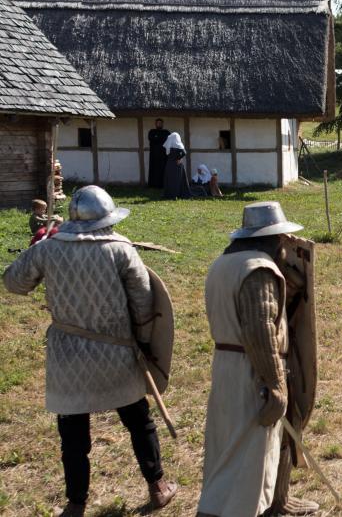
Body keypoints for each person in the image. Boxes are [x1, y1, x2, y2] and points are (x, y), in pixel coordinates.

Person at [3, 186, 178, 517]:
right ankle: (157, 487)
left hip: (67, 355)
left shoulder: (50, 248)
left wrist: (42, 250)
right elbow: (143, 301)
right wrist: (142, 342)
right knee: (139, 421)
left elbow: (14, 282)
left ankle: (75, 504)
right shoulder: (120, 249)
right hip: (117, 351)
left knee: (73, 434)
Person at [197, 201, 317, 517]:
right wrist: (276, 386)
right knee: (248, 457)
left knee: (229, 451)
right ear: (273, 239)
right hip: (251, 372)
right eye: (283, 240)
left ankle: (247, 505)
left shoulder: (223, 264)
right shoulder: (258, 270)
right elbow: (259, 330)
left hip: (227, 368)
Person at [162, 132, 191, 200]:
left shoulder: (169, 145)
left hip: (171, 164)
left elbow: (168, 154)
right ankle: (176, 194)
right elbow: (184, 153)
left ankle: (172, 195)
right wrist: (179, 158)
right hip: (177, 165)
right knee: (177, 180)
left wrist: (179, 158)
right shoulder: (179, 145)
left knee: (172, 179)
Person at [147, 119, 170, 189]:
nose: (159, 124)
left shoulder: (166, 132)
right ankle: (153, 185)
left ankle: (163, 185)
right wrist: (160, 139)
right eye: (158, 123)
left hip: (164, 156)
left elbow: (168, 139)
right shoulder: (152, 132)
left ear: (162, 124)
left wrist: (157, 138)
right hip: (154, 155)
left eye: (160, 123)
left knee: (163, 169)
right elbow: (151, 138)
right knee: (154, 170)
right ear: (155, 124)